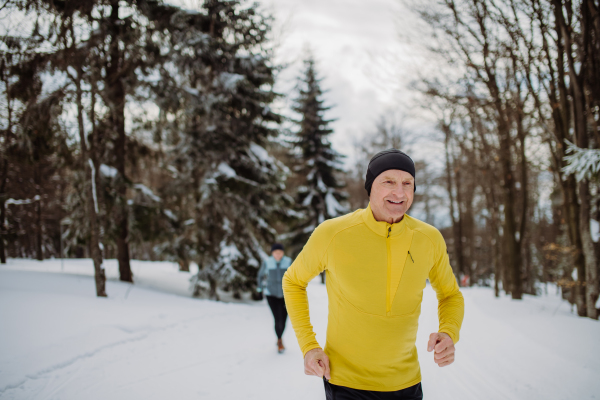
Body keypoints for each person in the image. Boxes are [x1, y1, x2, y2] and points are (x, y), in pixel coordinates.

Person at [283, 149, 465, 399]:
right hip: (346, 384)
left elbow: (450, 294)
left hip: (406, 384)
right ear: (370, 187)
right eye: (388, 181)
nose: (399, 192)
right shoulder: (333, 234)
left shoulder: (429, 239)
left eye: (407, 183)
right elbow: (293, 281)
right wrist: (308, 346)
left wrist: (448, 331)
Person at [257, 243, 293, 353]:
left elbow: (294, 275)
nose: (278, 254)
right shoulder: (267, 262)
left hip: (286, 295)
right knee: (278, 319)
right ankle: (279, 340)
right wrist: (259, 289)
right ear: (272, 253)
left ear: (283, 253)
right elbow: (260, 275)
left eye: (280, 252)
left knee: (284, 319)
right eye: (275, 252)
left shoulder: (288, 261)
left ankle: (280, 337)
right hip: (271, 295)